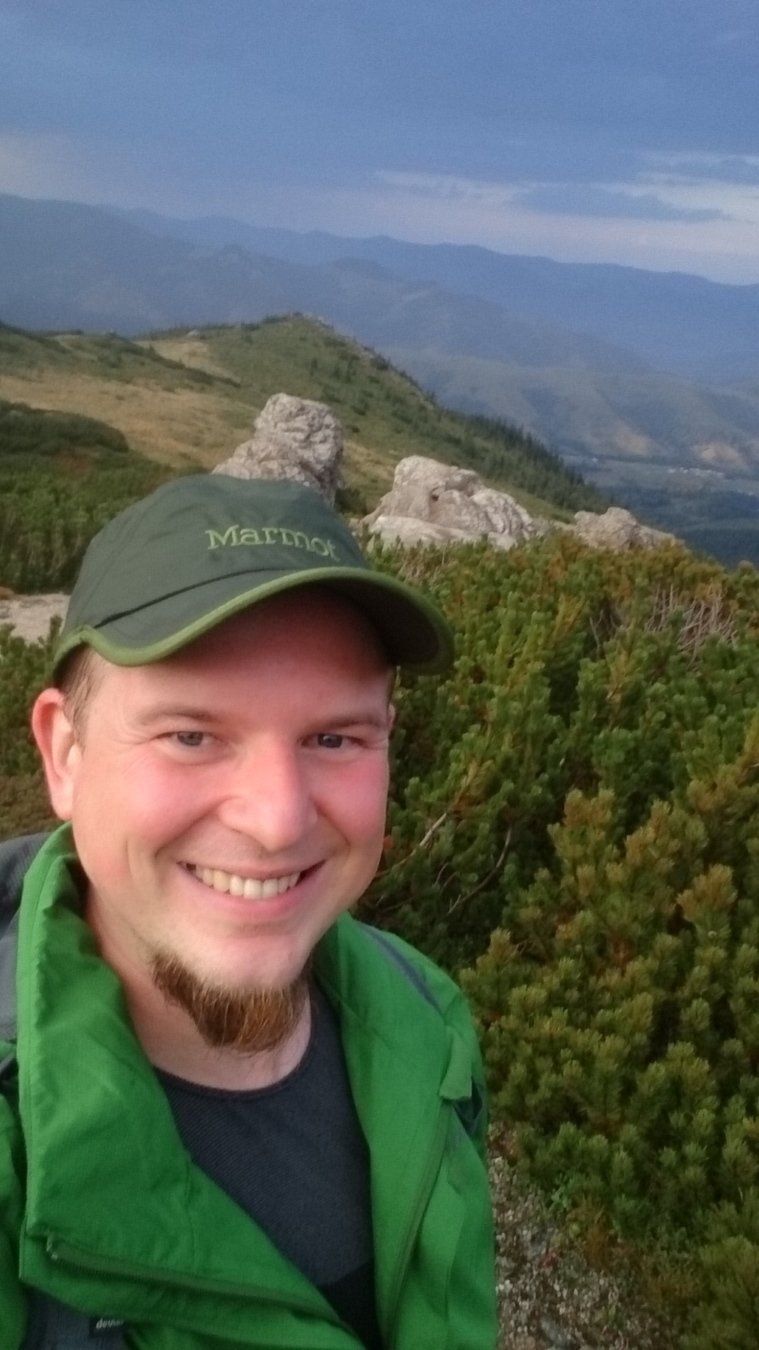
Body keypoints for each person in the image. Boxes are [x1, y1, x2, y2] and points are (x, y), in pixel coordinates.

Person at [0, 473, 497, 1349]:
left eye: (334, 738)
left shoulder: (423, 1015)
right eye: (191, 736)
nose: (277, 821)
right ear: (64, 754)